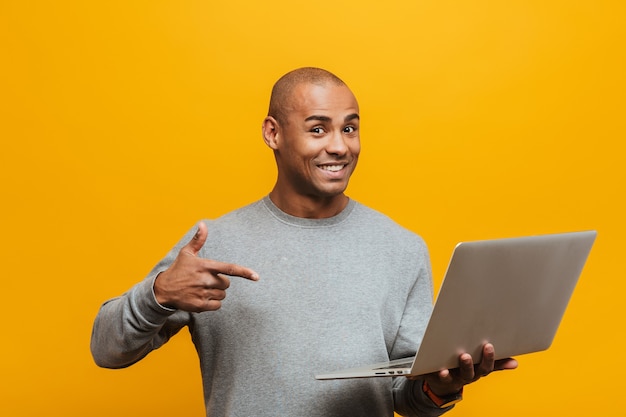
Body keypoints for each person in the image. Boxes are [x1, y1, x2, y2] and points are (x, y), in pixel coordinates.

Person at [91, 67, 517, 417]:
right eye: (318, 129)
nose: (339, 146)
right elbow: (107, 350)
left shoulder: (402, 247)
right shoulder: (213, 243)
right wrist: (159, 293)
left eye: (350, 128)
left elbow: (407, 398)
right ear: (273, 133)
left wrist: (440, 389)